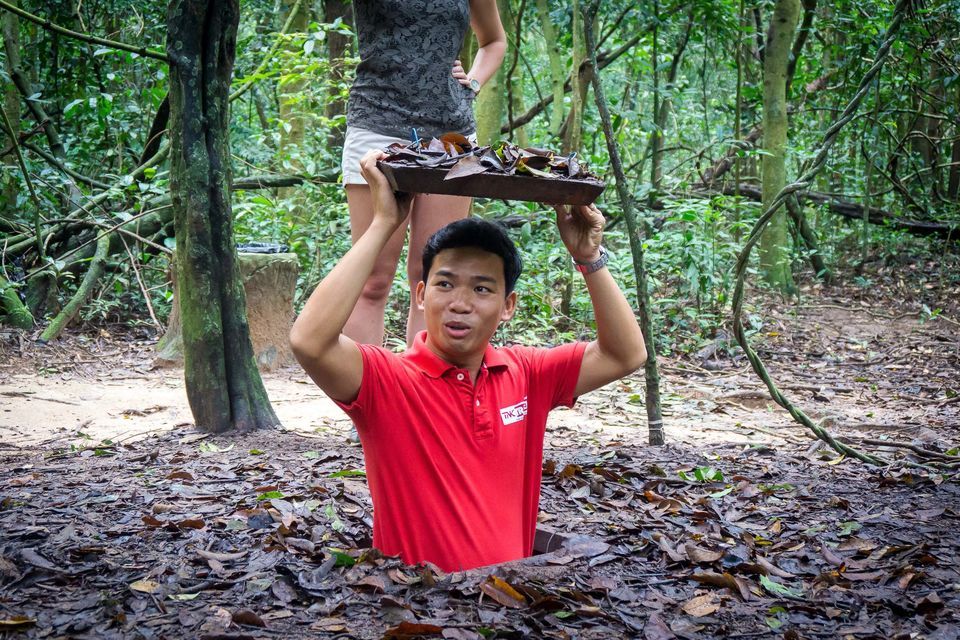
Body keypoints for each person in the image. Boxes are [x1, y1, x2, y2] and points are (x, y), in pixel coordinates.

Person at [290, 150, 647, 572]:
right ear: (421, 295)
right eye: (445, 283)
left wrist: (589, 258)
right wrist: (384, 223)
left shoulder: (528, 374)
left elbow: (625, 354)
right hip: (418, 608)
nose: (460, 304)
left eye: (481, 289)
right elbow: (309, 341)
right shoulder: (387, 379)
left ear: (507, 305)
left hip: (510, 605)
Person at [341, 0, 507, 347]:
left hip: (451, 136)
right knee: (371, 277)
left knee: (433, 272)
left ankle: (424, 392)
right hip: (376, 121)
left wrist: (471, 85)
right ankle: (364, 396)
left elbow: (494, 41)